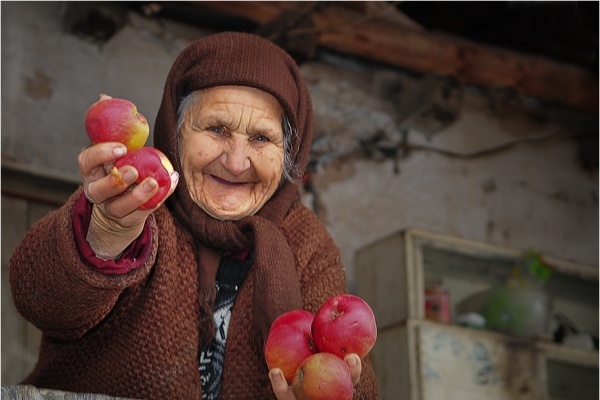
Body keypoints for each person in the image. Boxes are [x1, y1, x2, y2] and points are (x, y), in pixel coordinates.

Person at [9, 31, 379, 400]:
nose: (236, 162)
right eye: (217, 129)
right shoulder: (136, 201)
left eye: (261, 139)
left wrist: (336, 392)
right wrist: (105, 232)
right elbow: (40, 299)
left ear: (289, 153)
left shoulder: (307, 241)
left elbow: (356, 377)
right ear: (176, 132)